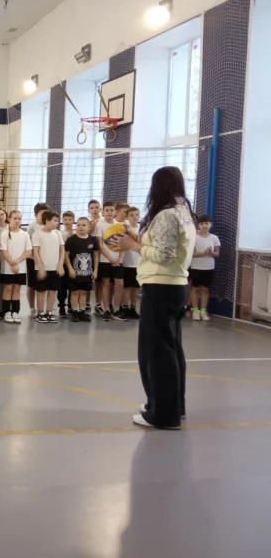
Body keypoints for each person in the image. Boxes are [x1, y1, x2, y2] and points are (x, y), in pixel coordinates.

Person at [111, 166, 196, 430]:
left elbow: (164, 255)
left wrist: (133, 246)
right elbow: (166, 248)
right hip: (174, 286)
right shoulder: (183, 212)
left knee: (157, 352)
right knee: (171, 349)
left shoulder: (167, 215)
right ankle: (173, 406)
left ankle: (163, 415)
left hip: (161, 287)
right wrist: (139, 240)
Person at [94, 200, 126, 321]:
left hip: (118, 260)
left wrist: (120, 259)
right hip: (105, 260)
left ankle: (116, 309)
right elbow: (100, 244)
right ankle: (107, 309)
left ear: (115, 212)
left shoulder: (119, 225)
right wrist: (110, 258)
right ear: (103, 211)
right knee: (106, 284)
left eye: (111, 210)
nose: (109, 212)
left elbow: (123, 243)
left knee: (119, 284)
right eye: (107, 210)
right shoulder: (100, 225)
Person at [32, 209, 65, 324]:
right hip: (42, 268)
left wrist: (60, 264)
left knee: (52, 291)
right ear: (47, 220)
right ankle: (40, 312)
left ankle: (49, 312)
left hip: (54, 268)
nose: (57, 223)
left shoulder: (58, 233)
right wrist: (40, 267)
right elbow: (35, 252)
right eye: (55, 221)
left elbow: (62, 249)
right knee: (41, 291)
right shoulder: (37, 234)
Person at [0, 210, 32, 324]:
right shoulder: (5, 234)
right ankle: (6, 312)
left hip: (20, 268)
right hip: (7, 268)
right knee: (8, 288)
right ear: (9, 219)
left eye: (19, 219)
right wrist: (11, 263)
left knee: (17, 288)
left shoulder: (24, 234)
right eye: (15, 218)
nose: (17, 221)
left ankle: (15, 312)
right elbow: (3, 250)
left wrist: (17, 261)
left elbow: (28, 250)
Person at [64, 217, 98, 323]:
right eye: (78, 225)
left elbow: (96, 256)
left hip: (87, 273)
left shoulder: (93, 240)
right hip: (75, 273)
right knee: (74, 292)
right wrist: (70, 269)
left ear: (89, 227)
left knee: (83, 293)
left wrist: (95, 270)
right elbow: (66, 255)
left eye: (84, 225)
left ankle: (82, 312)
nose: (81, 227)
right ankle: (74, 312)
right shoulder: (71, 240)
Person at [189, 213, 221, 321]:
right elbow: (191, 253)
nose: (204, 226)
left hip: (209, 268)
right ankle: (195, 311)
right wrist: (203, 253)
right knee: (195, 289)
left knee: (206, 290)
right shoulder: (194, 237)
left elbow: (217, 253)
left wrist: (211, 253)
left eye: (206, 223)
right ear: (198, 225)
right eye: (202, 224)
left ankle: (203, 311)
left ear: (210, 224)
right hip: (196, 268)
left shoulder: (214, 238)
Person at [26, 203, 49, 319]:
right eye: (41, 214)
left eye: (45, 214)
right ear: (36, 215)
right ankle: (32, 308)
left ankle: (44, 309)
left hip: (46, 260)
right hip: (32, 260)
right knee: (31, 285)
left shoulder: (49, 226)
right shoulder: (32, 227)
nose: (43, 216)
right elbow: (29, 245)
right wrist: (36, 258)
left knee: (43, 286)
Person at [122, 207, 142, 319]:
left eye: (136, 214)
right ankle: (125, 308)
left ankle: (133, 309)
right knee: (127, 288)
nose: (134, 217)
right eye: (132, 215)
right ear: (127, 217)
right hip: (127, 263)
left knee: (136, 288)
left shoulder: (142, 229)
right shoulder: (125, 229)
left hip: (139, 264)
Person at [58, 211, 75, 318]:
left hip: (74, 263)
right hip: (63, 263)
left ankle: (71, 306)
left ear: (73, 221)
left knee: (73, 286)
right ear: (62, 221)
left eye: (69, 219)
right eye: (65, 220)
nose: (67, 221)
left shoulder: (76, 233)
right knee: (62, 287)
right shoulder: (60, 233)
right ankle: (61, 307)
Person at [88, 199, 102, 313]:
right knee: (88, 281)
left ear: (100, 209)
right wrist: (90, 229)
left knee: (99, 282)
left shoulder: (104, 221)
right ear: (89, 210)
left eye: (96, 207)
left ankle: (98, 304)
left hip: (103, 255)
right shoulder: (87, 221)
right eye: (92, 208)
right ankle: (86, 304)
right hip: (89, 254)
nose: (94, 210)